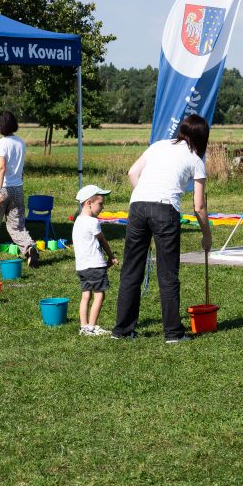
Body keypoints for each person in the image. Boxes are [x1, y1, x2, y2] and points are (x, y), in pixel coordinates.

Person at [112, 114, 214, 342]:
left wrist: (146, 197)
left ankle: (122, 330)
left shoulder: (158, 145)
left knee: (130, 271)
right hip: (165, 210)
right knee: (168, 275)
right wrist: (207, 235)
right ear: (201, 137)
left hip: (137, 207)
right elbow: (198, 206)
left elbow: (132, 173)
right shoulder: (196, 159)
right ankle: (173, 334)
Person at [0, 111, 39, 268]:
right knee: (17, 225)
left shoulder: (2, 143)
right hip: (17, 188)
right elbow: (15, 167)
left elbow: (2, 167)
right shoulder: (20, 142)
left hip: (0, 189)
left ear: (0, 126)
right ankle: (29, 248)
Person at [72, 184, 119, 337]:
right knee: (99, 295)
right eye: (100, 203)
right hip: (95, 265)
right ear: (89, 203)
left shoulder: (78, 221)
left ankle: (84, 326)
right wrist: (111, 256)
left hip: (82, 266)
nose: (103, 207)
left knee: (86, 295)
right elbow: (103, 241)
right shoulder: (93, 222)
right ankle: (92, 327)